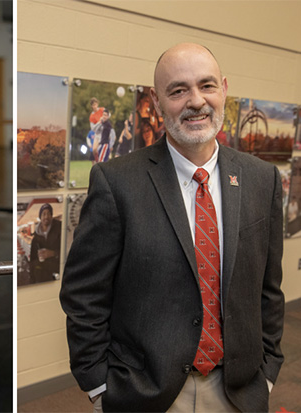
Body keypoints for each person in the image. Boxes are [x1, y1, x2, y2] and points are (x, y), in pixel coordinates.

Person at [60, 43, 284, 412]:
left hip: (238, 392)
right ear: (157, 100)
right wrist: (99, 386)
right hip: (146, 393)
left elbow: (269, 291)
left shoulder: (262, 180)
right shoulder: (117, 183)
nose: (195, 101)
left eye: (207, 85)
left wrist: (269, 372)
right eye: (178, 90)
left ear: (224, 89)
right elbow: (83, 295)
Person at [30, 203, 62, 283]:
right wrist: (33, 280)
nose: (46, 217)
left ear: (51, 216)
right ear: (40, 217)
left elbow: (69, 250)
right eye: (44, 214)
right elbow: (32, 260)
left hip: (59, 274)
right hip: (42, 277)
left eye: (48, 214)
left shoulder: (60, 230)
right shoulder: (35, 238)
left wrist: (54, 253)